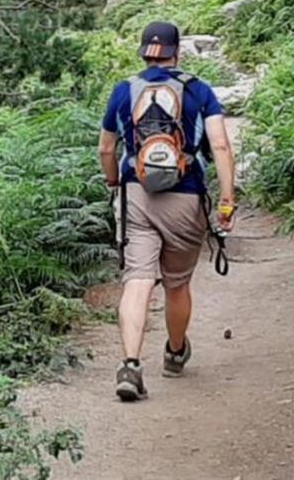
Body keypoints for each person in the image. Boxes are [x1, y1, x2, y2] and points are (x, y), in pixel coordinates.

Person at [98, 20, 237, 402]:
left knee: (137, 279)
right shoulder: (198, 90)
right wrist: (226, 200)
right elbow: (221, 146)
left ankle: (130, 364)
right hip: (186, 196)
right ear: (177, 52)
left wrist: (115, 183)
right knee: (176, 283)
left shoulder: (124, 90)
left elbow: (107, 149)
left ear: (143, 51)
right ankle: (175, 353)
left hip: (137, 194)